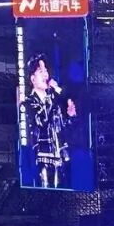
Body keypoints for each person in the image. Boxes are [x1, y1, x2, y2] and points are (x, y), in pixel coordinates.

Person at [21, 53, 76, 188]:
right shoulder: (29, 103)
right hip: (43, 157)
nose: (46, 75)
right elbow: (41, 121)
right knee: (47, 189)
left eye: (46, 71)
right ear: (33, 78)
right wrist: (52, 95)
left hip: (61, 155)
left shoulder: (54, 101)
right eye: (41, 72)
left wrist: (70, 116)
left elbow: (63, 127)